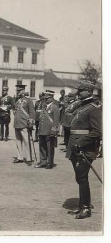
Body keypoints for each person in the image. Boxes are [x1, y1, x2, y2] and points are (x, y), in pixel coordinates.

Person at [66, 80, 102, 219]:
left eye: (81, 90)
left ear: (89, 91)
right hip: (76, 147)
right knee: (80, 177)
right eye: (78, 90)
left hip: (85, 148)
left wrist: (80, 142)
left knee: (82, 177)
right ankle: (82, 205)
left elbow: (97, 131)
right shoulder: (81, 107)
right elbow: (69, 115)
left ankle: (86, 208)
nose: (78, 92)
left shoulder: (93, 109)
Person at [35, 90, 60, 169]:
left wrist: (54, 130)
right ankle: (43, 161)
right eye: (45, 98)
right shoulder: (44, 106)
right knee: (42, 147)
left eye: (47, 98)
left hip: (49, 131)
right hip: (42, 130)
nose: (46, 100)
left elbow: (56, 121)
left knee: (50, 148)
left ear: (52, 98)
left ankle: (50, 163)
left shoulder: (55, 107)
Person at [13, 84, 35, 163]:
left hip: (24, 123)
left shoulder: (28, 100)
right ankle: (20, 157)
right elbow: (14, 109)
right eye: (17, 90)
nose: (17, 91)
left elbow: (32, 112)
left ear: (23, 91)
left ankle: (28, 158)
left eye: (19, 90)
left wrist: (31, 122)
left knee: (26, 141)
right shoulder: (16, 100)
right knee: (18, 141)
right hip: (17, 123)